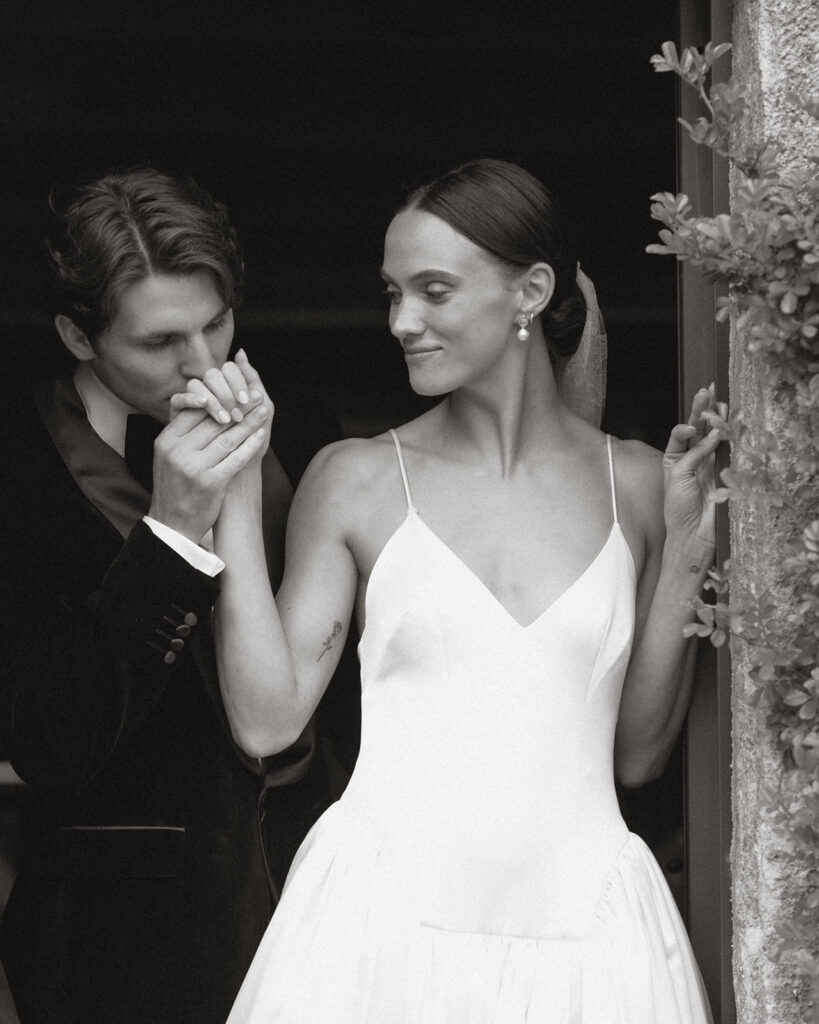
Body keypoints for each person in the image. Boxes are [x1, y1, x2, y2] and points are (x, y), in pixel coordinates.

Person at [185, 158, 718, 1022]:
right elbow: (266, 720)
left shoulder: (642, 485)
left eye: (433, 290)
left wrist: (690, 550)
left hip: (589, 946)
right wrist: (236, 495)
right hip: (374, 941)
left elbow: (637, 755)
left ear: (530, 292)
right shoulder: (355, 479)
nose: (402, 320)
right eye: (393, 293)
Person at [0, 168, 351, 1024]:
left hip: (324, 911)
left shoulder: (308, 432)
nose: (205, 365)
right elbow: (46, 742)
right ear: (77, 336)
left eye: (217, 324)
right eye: (160, 342)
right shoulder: (16, 465)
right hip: (116, 946)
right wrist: (170, 532)